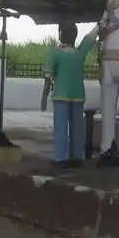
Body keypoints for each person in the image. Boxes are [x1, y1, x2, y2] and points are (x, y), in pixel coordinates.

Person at [43, 20, 100, 167]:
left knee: (61, 128)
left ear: (60, 34)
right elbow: (89, 39)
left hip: (61, 95)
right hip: (78, 95)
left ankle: (60, 158)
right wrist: (100, 25)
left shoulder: (54, 53)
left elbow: (48, 79)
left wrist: (44, 98)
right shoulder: (79, 53)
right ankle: (77, 157)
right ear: (75, 35)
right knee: (77, 128)